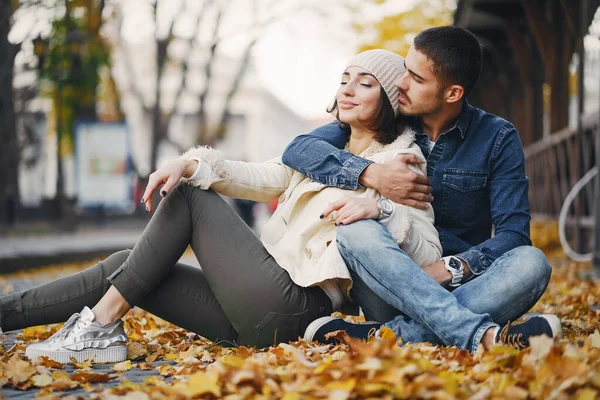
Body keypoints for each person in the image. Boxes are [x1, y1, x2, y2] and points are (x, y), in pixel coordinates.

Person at [0, 50, 442, 363]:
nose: (347, 90)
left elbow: (427, 253)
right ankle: (9, 315)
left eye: (365, 83)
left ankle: (97, 326)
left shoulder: (399, 162)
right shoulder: (321, 153)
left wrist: (383, 211)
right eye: (344, 79)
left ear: (388, 99)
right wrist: (191, 163)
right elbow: (256, 175)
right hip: (255, 309)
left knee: (189, 198)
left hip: (299, 306)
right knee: (127, 266)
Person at [283, 26, 562, 353]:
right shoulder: (386, 115)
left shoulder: (497, 137)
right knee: (354, 231)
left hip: (463, 287)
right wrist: (371, 173)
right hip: (386, 283)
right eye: (405, 71)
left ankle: (378, 338)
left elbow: (514, 235)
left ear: (452, 93)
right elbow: (299, 150)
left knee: (532, 263)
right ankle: (486, 336)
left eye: (416, 78)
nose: (401, 83)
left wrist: (447, 269)